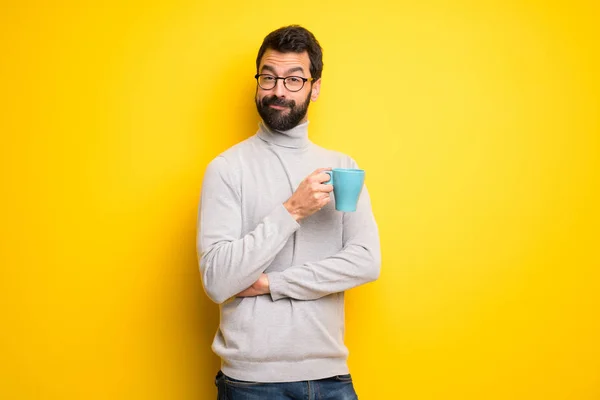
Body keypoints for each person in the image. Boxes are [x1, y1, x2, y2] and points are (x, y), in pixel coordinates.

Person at [197, 25, 381, 400]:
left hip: (331, 378)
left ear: (314, 88)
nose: (278, 90)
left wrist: (271, 283)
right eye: (269, 77)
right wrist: (292, 210)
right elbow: (217, 280)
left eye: (294, 79)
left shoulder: (341, 167)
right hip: (250, 383)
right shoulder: (227, 168)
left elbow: (365, 261)